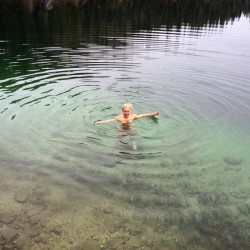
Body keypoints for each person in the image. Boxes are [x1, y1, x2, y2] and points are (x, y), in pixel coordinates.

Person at [95, 103, 160, 124]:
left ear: (130, 111)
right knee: (119, 136)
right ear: (122, 111)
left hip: (130, 127)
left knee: (133, 134)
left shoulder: (133, 116)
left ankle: (134, 145)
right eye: (125, 111)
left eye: (127, 111)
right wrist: (100, 122)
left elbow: (143, 115)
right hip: (121, 128)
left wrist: (153, 114)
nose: (126, 113)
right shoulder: (119, 117)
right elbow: (110, 120)